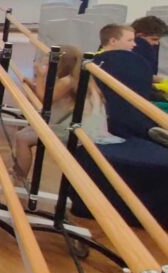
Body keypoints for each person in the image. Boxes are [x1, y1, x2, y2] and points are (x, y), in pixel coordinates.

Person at [13, 46, 123, 181]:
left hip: (79, 130)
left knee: (22, 138)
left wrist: (40, 76)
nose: (46, 67)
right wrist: (33, 85)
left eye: (49, 64)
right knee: (25, 133)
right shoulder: (80, 78)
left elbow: (46, 100)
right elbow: (49, 95)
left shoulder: (68, 80)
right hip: (84, 127)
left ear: (60, 64)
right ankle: (18, 171)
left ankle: (19, 176)